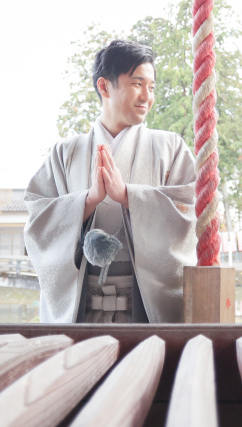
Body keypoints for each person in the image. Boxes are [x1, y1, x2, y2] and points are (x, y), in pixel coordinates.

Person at [24, 40, 197, 323]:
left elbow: (192, 211)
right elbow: (37, 219)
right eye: (137, 84)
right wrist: (88, 201)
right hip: (82, 307)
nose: (147, 96)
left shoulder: (170, 147)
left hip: (145, 307)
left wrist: (128, 196)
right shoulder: (65, 153)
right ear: (104, 87)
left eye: (151, 87)